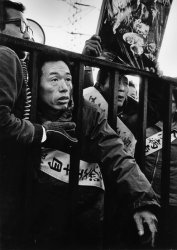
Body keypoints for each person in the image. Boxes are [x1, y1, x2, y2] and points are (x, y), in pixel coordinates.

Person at [0, 2, 106, 249]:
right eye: (19, 25)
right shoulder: (6, 54)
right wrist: (44, 132)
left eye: (26, 25)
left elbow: (60, 92)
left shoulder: (18, 63)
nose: (27, 34)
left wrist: (83, 62)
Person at [31, 52, 159, 250]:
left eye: (68, 79)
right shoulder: (23, 111)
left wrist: (142, 200)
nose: (64, 87)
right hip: (38, 219)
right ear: (35, 83)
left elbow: (116, 153)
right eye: (54, 80)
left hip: (85, 220)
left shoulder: (89, 113)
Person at [144, 87, 177, 249]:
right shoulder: (145, 129)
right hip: (148, 198)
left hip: (172, 202)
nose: (167, 105)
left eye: (171, 102)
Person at [84, 69, 138, 156]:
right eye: (116, 81)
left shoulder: (130, 114)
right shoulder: (88, 108)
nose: (122, 88)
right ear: (100, 86)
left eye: (125, 83)